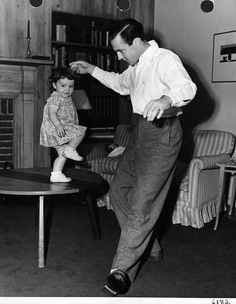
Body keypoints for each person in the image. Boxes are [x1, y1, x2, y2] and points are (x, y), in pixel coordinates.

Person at [70, 18, 197, 296]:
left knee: (142, 204)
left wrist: (165, 100)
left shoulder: (165, 59)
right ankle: (150, 244)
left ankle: (120, 273)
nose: (118, 56)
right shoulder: (135, 65)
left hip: (163, 131)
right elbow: (119, 84)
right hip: (140, 130)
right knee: (118, 191)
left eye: (121, 50)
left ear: (137, 42)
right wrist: (91, 69)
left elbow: (187, 88)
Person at [40, 67, 86, 183]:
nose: (67, 89)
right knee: (81, 132)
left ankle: (56, 174)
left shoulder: (66, 97)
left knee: (62, 155)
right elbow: (52, 113)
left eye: (70, 86)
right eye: (63, 85)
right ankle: (71, 149)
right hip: (58, 128)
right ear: (55, 85)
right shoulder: (56, 97)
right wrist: (58, 126)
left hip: (59, 129)